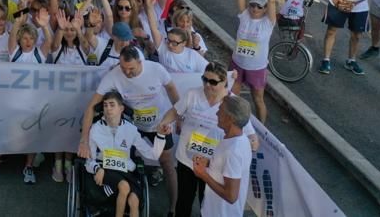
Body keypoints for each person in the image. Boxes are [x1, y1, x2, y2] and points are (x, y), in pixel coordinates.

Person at [79, 47, 180, 208]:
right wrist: (84, 140)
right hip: (132, 126)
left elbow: (172, 89)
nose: (126, 72)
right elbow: (91, 107)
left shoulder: (156, 69)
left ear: (140, 62)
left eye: (131, 68)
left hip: (158, 124)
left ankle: (174, 208)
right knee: (126, 159)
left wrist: (179, 117)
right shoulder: (113, 75)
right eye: (123, 68)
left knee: (167, 163)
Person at [159, 64, 257, 217]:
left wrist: (246, 147)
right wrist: (164, 123)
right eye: (204, 79)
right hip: (187, 159)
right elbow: (175, 111)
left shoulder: (232, 105)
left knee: (206, 202)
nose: (207, 85)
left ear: (224, 82)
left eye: (213, 82)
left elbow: (251, 136)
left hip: (212, 165)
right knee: (183, 201)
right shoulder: (193, 94)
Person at [84, 90, 167, 217]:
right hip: (105, 168)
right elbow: (90, 159)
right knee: (124, 186)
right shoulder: (95, 129)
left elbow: (153, 155)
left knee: (134, 200)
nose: (108, 108)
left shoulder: (131, 129)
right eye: (105, 105)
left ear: (121, 108)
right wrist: (97, 168)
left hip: (126, 170)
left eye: (112, 105)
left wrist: (160, 135)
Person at [193, 96, 254, 217]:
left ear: (230, 118)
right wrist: (208, 163)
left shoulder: (233, 151)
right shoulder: (235, 139)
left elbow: (231, 196)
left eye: (220, 110)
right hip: (211, 210)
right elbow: (226, 167)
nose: (216, 113)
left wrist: (203, 174)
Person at [232, 0, 278, 122]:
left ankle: (262, 129)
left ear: (265, 9)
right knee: (232, 98)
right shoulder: (244, 15)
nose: (255, 8)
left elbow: (272, 1)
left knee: (258, 99)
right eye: (252, 4)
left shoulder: (268, 22)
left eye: (259, 6)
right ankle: (233, 125)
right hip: (237, 63)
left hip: (256, 67)